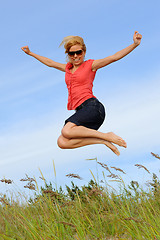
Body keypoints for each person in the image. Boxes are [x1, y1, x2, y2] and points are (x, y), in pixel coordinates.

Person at [21, 31, 142, 156]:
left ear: (84, 52)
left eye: (78, 52)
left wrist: (135, 44)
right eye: (71, 53)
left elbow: (114, 57)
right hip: (81, 112)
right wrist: (30, 53)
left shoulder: (90, 65)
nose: (75, 56)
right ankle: (104, 141)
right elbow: (50, 63)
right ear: (68, 55)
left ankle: (107, 136)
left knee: (66, 131)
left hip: (93, 107)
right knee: (62, 142)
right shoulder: (67, 69)